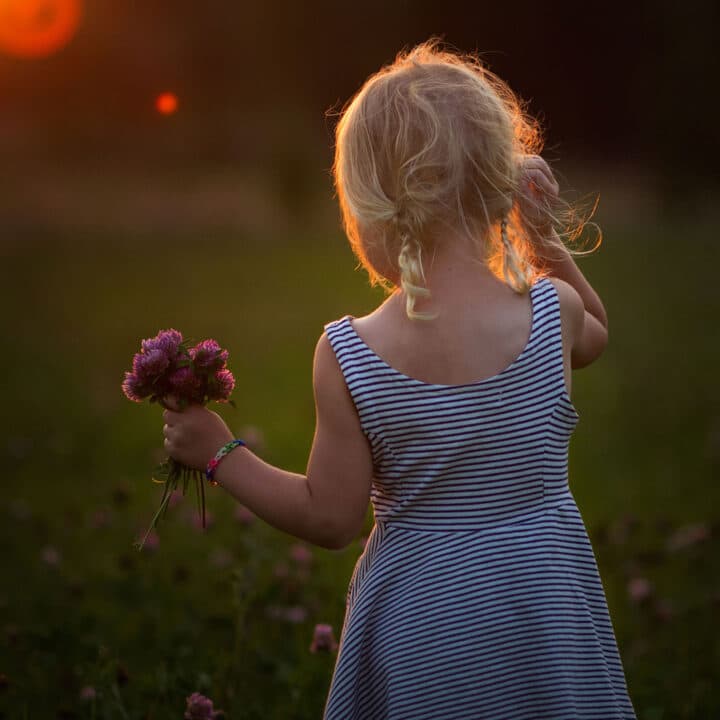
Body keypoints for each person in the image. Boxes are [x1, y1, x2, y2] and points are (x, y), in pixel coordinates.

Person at [161, 38, 637, 720]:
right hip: (545, 615)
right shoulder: (551, 311)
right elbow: (595, 328)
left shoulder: (352, 353)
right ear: (496, 184)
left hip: (423, 627)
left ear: (370, 208)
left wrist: (220, 452)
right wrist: (541, 238)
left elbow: (331, 518)